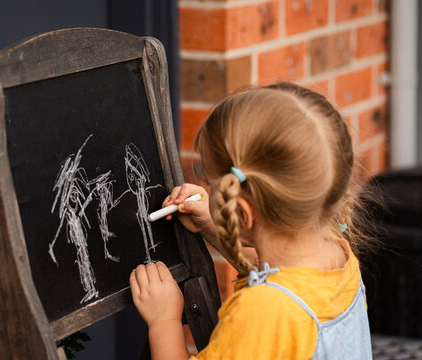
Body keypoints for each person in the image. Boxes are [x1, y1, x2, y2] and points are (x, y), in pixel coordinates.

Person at [129, 82, 373, 359]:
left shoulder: (259, 314)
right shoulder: (339, 258)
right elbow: (285, 280)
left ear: (243, 214)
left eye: (211, 183)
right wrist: (212, 222)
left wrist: (164, 321)